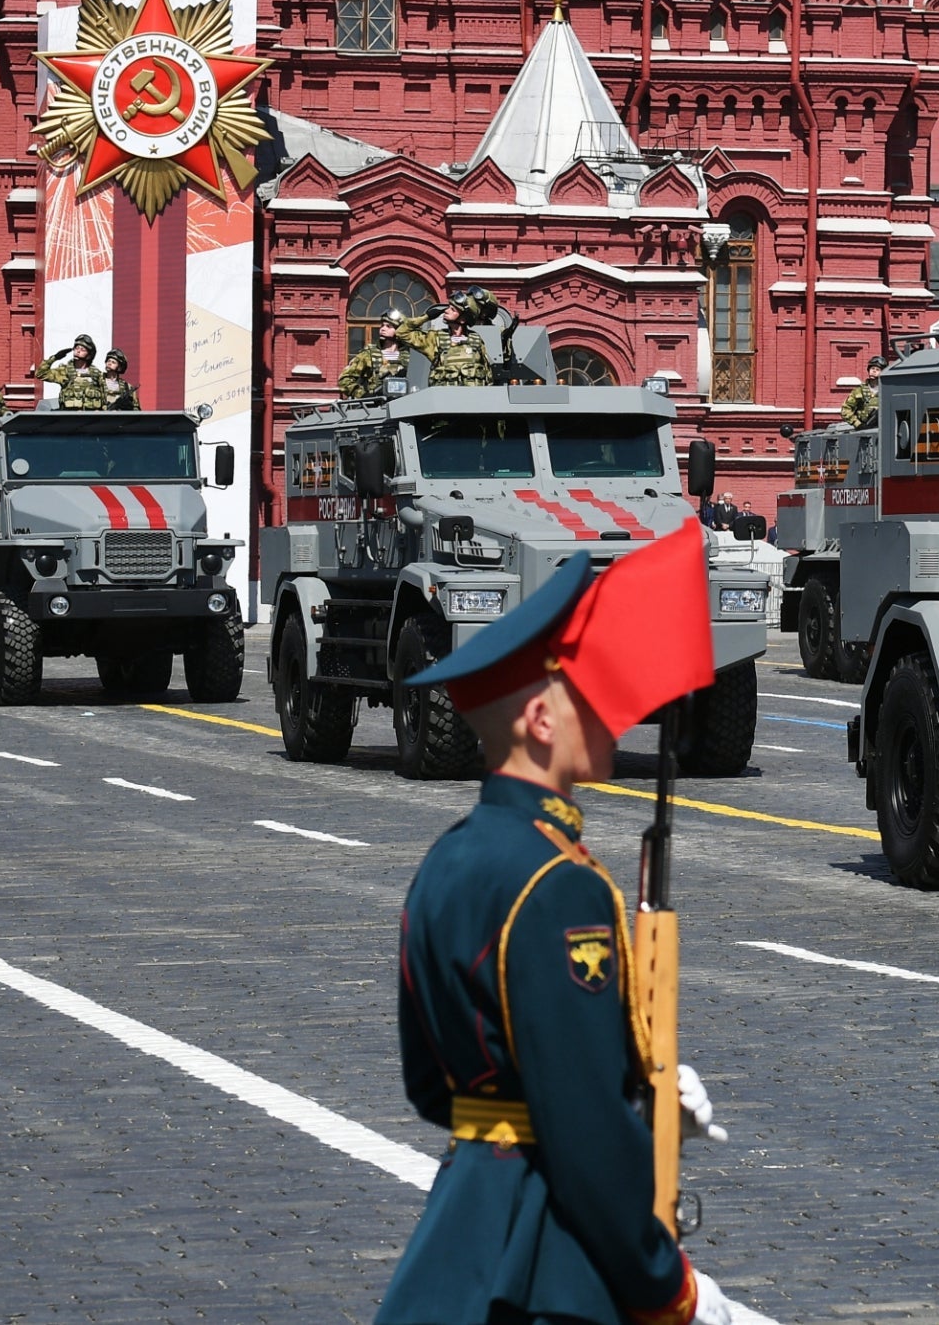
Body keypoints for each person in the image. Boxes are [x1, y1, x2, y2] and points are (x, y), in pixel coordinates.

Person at [376, 540, 734, 1325]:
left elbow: (430, 1084)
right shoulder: (559, 882)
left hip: (467, 1222)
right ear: (539, 719)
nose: (615, 710)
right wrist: (670, 1284)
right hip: (550, 1259)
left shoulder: (447, 861)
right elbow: (581, 1127)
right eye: (588, 694)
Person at [339, 313, 409, 402]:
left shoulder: (408, 357)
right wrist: (364, 396)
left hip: (404, 405)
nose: (382, 329)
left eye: (389, 326)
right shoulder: (369, 354)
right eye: (382, 326)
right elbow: (344, 379)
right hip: (375, 407)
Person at [33, 334, 112, 411]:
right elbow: (40, 374)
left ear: (89, 355)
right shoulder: (65, 371)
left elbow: (106, 395)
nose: (78, 351)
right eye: (77, 348)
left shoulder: (96, 374)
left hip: (91, 418)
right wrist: (55, 357)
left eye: (82, 350)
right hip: (69, 417)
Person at [839, 357, 886, 428]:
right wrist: (857, 424)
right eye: (872, 368)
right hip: (863, 428)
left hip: (882, 428)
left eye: (877, 369)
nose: (874, 371)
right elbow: (846, 409)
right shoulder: (859, 390)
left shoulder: (885, 390)